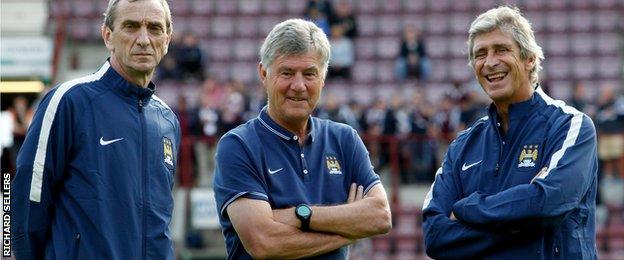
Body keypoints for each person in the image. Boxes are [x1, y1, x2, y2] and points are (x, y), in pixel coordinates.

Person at [422, 6, 598, 259]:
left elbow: (546, 202)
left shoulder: (570, 126)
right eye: (480, 54)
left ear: (530, 59)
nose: (490, 62)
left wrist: (466, 208)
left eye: (501, 50)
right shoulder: (462, 146)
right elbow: (435, 236)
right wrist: (523, 223)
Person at [11, 0, 180, 259]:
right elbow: (22, 195)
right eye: (131, 26)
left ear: (167, 40)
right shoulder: (69, 101)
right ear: (108, 36)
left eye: (155, 28)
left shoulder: (167, 120)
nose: (144, 39)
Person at [213, 19, 392, 259]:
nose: (298, 86)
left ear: (323, 78)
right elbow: (264, 243)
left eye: (309, 74)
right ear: (264, 74)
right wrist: (349, 229)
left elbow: (380, 216)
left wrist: (300, 214)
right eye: (287, 73)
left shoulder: (344, 139)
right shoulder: (238, 145)